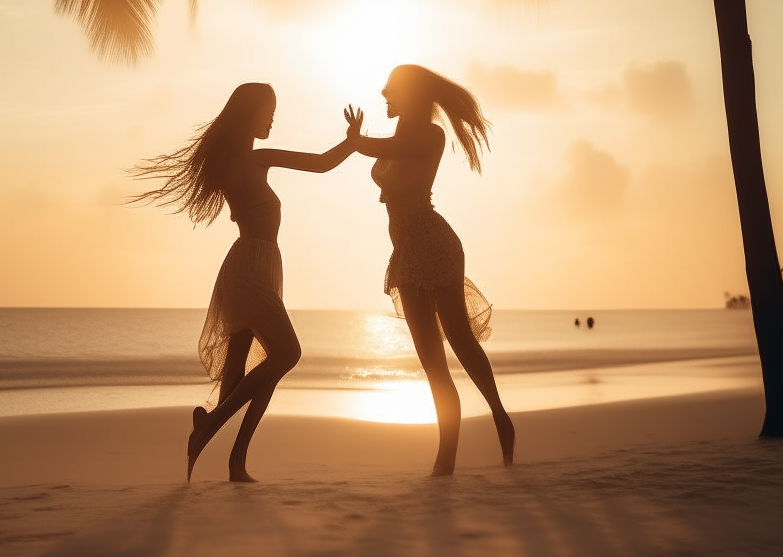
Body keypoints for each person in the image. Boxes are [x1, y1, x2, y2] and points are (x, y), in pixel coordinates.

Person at [131, 83, 361, 483]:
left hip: (255, 267)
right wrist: (354, 142)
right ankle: (211, 429)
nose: (272, 118)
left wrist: (351, 142)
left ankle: (235, 462)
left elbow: (320, 164)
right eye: (267, 111)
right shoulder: (254, 161)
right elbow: (322, 163)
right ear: (248, 113)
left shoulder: (231, 163)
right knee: (286, 353)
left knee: (245, 375)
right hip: (251, 270)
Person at [352, 65, 515, 473]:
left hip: (435, 242)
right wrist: (356, 143)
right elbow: (383, 151)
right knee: (432, 361)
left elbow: (387, 153)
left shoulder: (429, 135)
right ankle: (447, 458)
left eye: (391, 89)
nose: (384, 94)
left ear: (411, 95)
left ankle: (498, 415)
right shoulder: (397, 138)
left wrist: (357, 141)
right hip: (407, 251)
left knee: (460, 339)